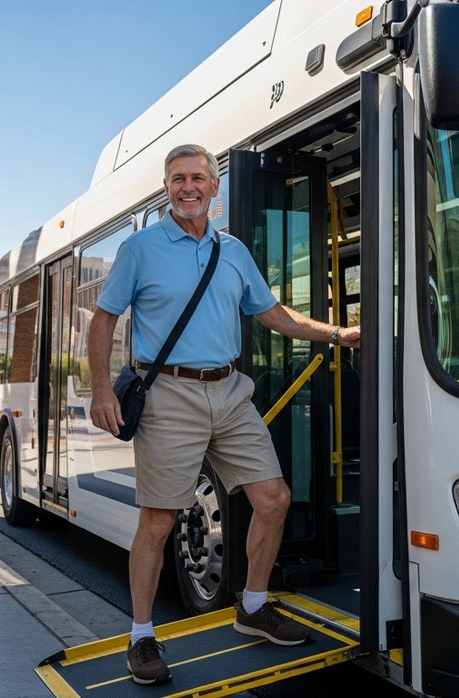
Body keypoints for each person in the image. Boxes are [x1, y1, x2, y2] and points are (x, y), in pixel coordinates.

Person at [89, 143, 361, 685]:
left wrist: (336, 333)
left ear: (215, 188)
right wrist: (102, 391)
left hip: (230, 391)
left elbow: (273, 313)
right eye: (176, 179)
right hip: (168, 394)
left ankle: (252, 606)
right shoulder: (140, 249)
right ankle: (141, 637)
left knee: (274, 497)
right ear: (167, 188)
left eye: (197, 178)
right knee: (160, 519)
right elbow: (102, 322)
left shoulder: (232, 251)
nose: (187, 187)